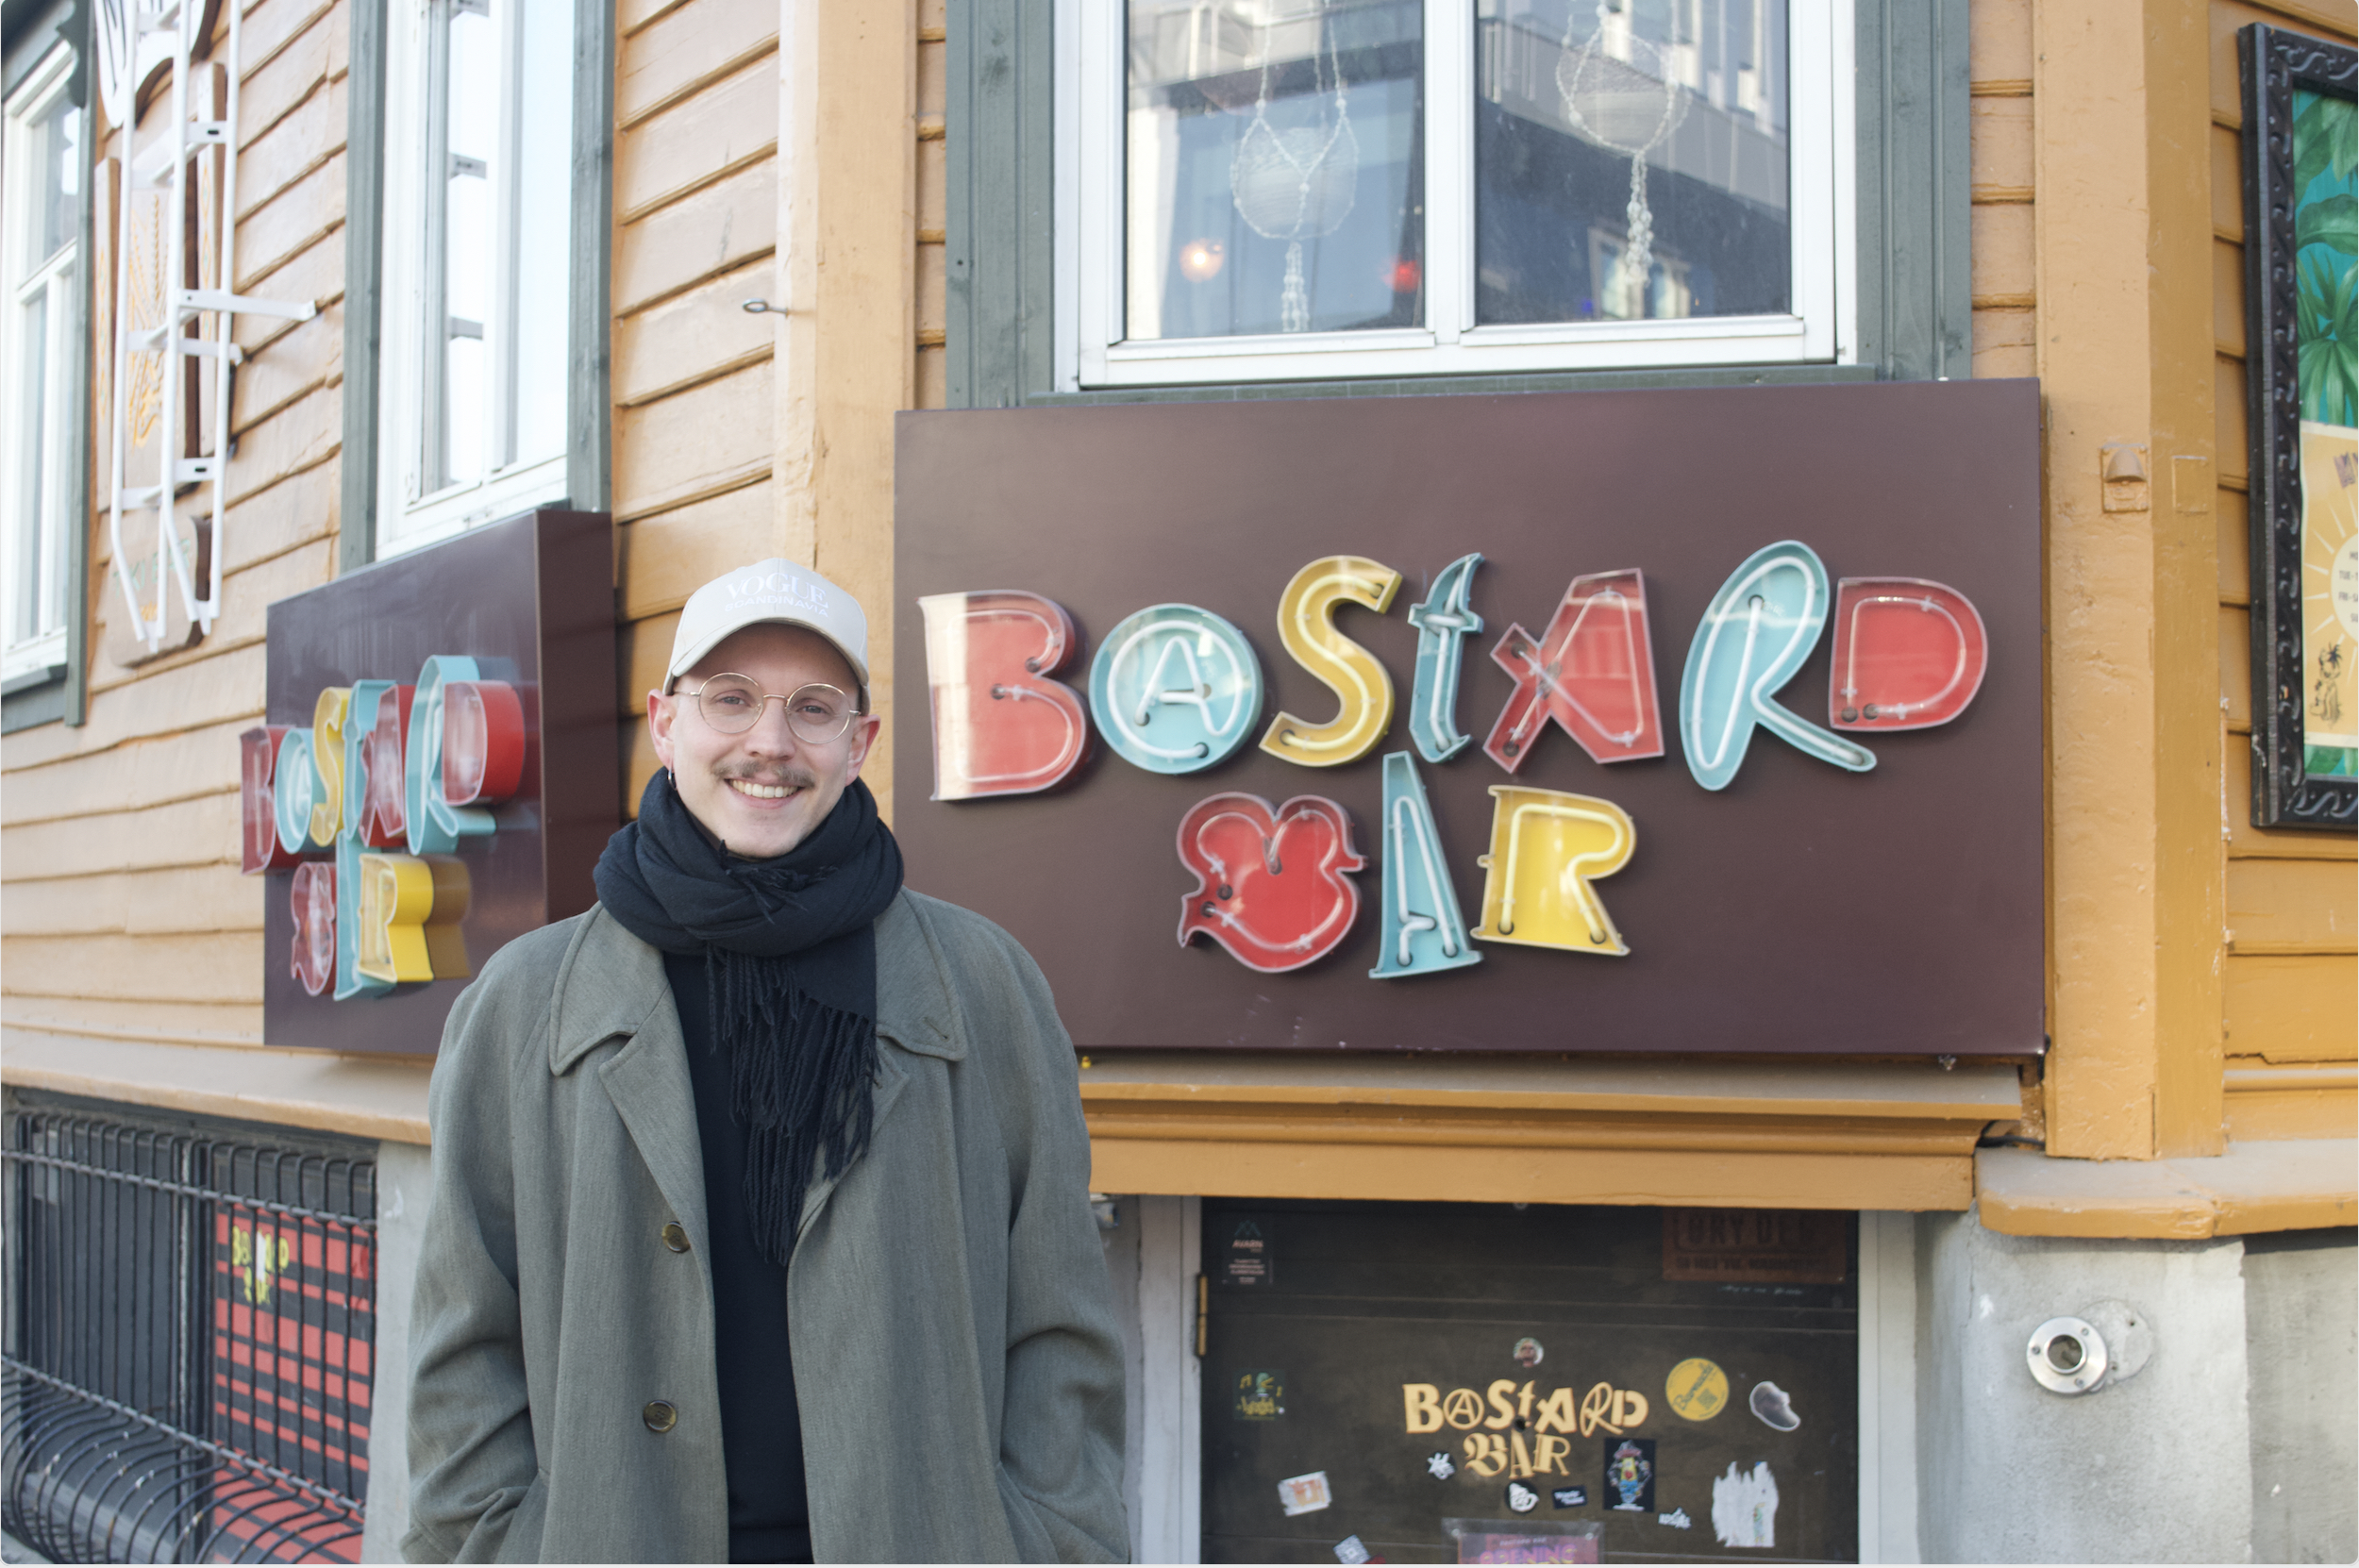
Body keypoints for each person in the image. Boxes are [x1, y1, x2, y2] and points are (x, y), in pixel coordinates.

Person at [402, 559, 1129, 1563]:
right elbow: (463, 1341)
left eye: (814, 708)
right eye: (730, 700)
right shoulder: (525, 1002)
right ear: (664, 723)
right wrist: (490, 1548)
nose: (770, 743)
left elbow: (1059, 1325)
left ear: (860, 742)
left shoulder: (983, 985)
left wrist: (1050, 1544)